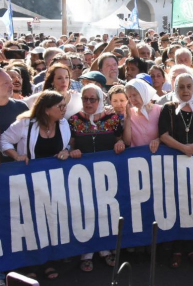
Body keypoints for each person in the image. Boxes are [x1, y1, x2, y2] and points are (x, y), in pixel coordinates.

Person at [0, 90, 76, 281]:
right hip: (28, 183)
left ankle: (48, 260)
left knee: (49, 221)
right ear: (47, 109)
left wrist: (66, 151)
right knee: (30, 223)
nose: (64, 109)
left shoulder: (63, 123)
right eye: (60, 106)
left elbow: (67, 144)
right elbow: (4, 140)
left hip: (53, 183)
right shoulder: (25, 124)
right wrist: (16, 156)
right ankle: (30, 264)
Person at [68, 84, 123, 272]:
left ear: (100, 100)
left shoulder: (113, 118)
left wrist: (121, 143)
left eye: (93, 99)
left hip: (107, 175)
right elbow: (70, 144)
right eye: (85, 98)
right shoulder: (74, 120)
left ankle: (105, 249)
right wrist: (72, 151)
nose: (89, 102)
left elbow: (120, 139)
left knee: (105, 211)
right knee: (86, 211)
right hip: (83, 176)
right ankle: (87, 253)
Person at [157, 73, 193, 268]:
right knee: (177, 207)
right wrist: (183, 148)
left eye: (189, 86)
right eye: (181, 87)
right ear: (175, 88)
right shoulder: (168, 109)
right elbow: (163, 134)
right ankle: (177, 250)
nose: (185, 91)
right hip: (174, 167)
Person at [0, 69, 29, 161]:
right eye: (6, 83)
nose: (11, 85)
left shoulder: (21, 107)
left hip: (19, 163)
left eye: (10, 82)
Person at [122, 78, 161, 152]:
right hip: (137, 159)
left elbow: (168, 135)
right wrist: (128, 117)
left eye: (134, 95)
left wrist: (158, 140)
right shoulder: (129, 113)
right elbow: (127, 142)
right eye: (129, 96)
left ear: (143, 93)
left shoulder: (159, 110)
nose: (132, 99)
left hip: (157, 156)